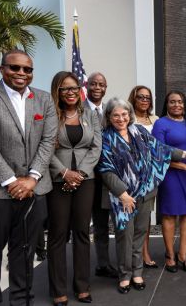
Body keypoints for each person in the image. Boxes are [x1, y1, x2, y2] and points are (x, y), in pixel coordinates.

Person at [0, 50, 57, 305]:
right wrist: (11, 181)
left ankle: (22, 300)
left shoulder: (44, 100)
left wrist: (32, 178)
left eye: (27, 69)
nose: (22, 73)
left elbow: (48, 141)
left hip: (34, 190)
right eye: (15, 68)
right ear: (2, 69)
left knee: (24, 251)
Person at [98, 98, 186, 294]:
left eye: (124, 114)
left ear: (130, 115)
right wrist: (123, 194)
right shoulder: (105, 138)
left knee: (139, 234)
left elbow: (161, 149)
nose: (121, 118)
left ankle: (137, 272)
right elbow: (106, 169)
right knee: (124, 236)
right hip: (122, 198)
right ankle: (124, 275)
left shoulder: (140, 131)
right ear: (109, 117)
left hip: (144, 192)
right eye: (116, 115)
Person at [47, 71, 102, 305]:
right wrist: (64, 172)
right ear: (57, 91)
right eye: (65, 89)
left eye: (74, 88)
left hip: (85, 180)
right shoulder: (50, 115)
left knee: (81, 232)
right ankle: (58, 290)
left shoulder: (90, 114)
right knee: (58, 234)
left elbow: (96, 147)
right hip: (58, 181)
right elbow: (44, 148)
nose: (70, 92)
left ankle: (82, 286)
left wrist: (79, 173)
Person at [153, 90, 186, 273]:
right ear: (166, 104)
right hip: (171, 174)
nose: (177, 105)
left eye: (180, 102)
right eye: (172, 102)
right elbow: (160, 153)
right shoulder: (160, 123)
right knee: (169, 215)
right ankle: (169, 255)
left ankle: (183, 256)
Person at [85, 72, 118, 279]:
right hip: (87, 177)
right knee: (94, 224)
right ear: (86, 85)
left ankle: (105, 264)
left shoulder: (110, 111)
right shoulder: (78, 109)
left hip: (109, 177)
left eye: (102, 84)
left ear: (106, 88)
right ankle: (98, 263)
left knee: (108, 221)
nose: (98, 87)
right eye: (94, 84)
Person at [128, 85, 159, 269]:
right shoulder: (127, 118)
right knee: (131, 215)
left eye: (148, 97)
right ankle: (130, 255)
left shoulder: (156, 120)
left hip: (150, 176)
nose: (144, 100)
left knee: (145, 216)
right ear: (133, 99)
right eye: (140, 97)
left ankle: (145, 251)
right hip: (131, 175)